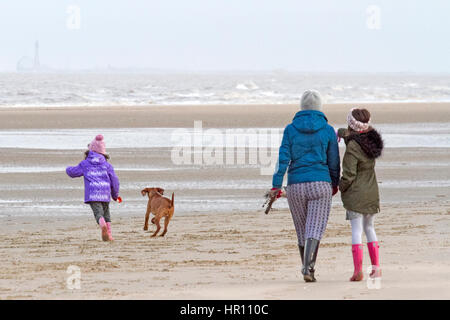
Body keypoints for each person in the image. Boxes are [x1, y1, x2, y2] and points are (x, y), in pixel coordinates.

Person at [272, 90, 340, 282]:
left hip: (295, 186)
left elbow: (283, 159)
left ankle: (307, 268)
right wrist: (334, 183)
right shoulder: (327, 129)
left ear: (301, 107)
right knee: (315, 228)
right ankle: (308, 268)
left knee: (302, 230)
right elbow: (334, 161)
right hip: (320, 184)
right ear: (320, 107)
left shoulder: (290, 129)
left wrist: (276, 185)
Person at [337, 108, 384, 281]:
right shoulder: (371, 141)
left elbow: (348, 176)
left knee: (356, 231)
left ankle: (358, 270)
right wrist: (339, 132)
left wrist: (339, 187)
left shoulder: (352, 148)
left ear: (352, 125)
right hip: (371, 192)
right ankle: (376, 269)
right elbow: (349, 132)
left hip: (356, 195)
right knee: (370, 228)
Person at [66, 134, 120, 241]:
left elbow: (73, 172)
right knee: (106, 213)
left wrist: (68, 169)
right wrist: (115, 195)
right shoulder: (107, 166)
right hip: (105, 193)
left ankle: (102, 226)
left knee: (98, 214)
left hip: (93, 193)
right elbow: (115, 181)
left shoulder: (85, 164)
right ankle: (109, 234)